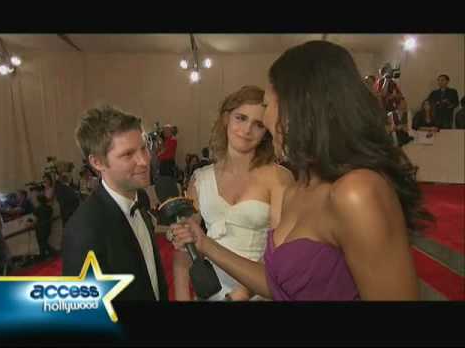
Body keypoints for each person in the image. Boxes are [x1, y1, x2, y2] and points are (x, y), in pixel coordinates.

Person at [171, 41, 433, 301]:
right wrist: (205, 245)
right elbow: (278, 286)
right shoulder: (298, 187)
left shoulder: (356, 191)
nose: (266, 121)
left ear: (294, 108)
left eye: (267, 105)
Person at [172, 85, 295, 301]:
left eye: (258, 124)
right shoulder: (200, 179)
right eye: (241, 118)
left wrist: (242, 294)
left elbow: (280, 253)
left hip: (260, 291)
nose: (247, 130)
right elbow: (184, 248)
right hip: (210, 292)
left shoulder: (279, 178)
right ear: (226, 118)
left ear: (266, 130)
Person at [62, 105, 168, 301]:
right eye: (128, 154)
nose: (144, 161)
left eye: (143, 148)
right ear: (97, 163)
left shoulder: (140, 199)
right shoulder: (83, 230)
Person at [32, 194, 54, 259]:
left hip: (40, 228)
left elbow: (36, 219)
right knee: (44, 241)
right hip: (48, 226)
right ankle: (45, 254)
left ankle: (48, 253)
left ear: (38, 201)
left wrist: (31, 224)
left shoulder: (38, 209)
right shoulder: (50, 208)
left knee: (42, 242)